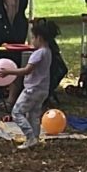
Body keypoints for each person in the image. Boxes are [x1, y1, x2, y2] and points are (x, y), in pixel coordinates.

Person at [10, 18, 60, 146]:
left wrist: (9, 72)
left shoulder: (38, 54)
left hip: (32, 89)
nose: (31, 41)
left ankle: (30, 136)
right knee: (34, 114)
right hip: (43, 89)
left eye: (33, 38)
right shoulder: (48, 52)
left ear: (40, 38)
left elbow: (27, 70)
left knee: (17, 112)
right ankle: (35, 138)